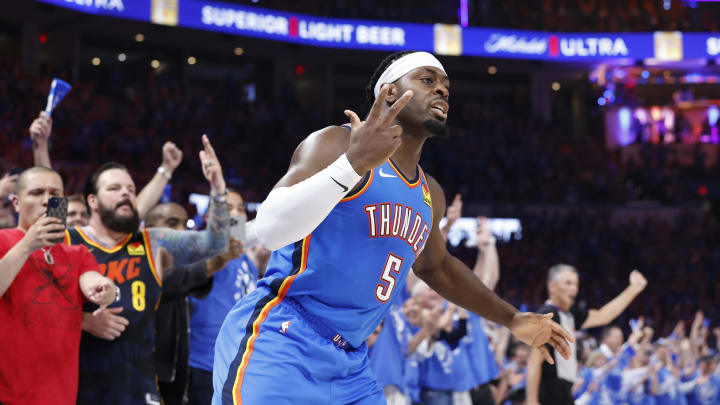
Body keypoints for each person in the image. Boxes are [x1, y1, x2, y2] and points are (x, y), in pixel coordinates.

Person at [213, 50, 574, 405]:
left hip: (351, 363)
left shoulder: (429, 192)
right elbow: (272, 230)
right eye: (427, 80)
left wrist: (511, 318)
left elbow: (438, 267)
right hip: (283, 337)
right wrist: (351, 165)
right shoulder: (337, 143)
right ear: (388, 93)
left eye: (446, 87)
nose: (441, 92)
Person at [69, 135, 230, 404]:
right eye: (115, 188)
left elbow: (217, 244)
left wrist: (218, 188)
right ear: (92, 201)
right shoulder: (69, 241)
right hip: (81, 387)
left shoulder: (153, 241)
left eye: (131, 189)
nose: (126, 193)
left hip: (140, 387)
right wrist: (83, 322)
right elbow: (35, 306)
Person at [0, 166, 116, 405]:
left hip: (62, 395)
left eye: (55, 193)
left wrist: (105, 289)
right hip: (9, 395)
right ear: (16, 203)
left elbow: (92, 281)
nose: (47, 201)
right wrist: (27, 244)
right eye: (36, 192)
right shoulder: (3, 240)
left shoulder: (78, 253)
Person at [146, 202, 244, 405]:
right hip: (169, 373)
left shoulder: (245, 263)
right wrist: (217, 260)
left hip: (190, 375)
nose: (182, 231)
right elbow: (168, 282)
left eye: (185, 224)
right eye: (173, 224)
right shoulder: (142, 268)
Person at [188, 189, 271, 405]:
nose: (236, 214)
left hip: (237, 364)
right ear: (209, 218)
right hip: (204, 363)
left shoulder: (246, 259)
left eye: (241, 209)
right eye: (228, 209)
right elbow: (229, 238)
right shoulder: (205, 248)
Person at [526, 263, 648, 405]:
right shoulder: (548, 315)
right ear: (552, 286)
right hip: (549, 391)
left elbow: (604, 316)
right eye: (568, 283)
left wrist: (633, 289)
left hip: (564, 390)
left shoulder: (569, 314)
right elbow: (534, 360)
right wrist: (531, 400)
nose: (574, 288)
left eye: (576, 284)